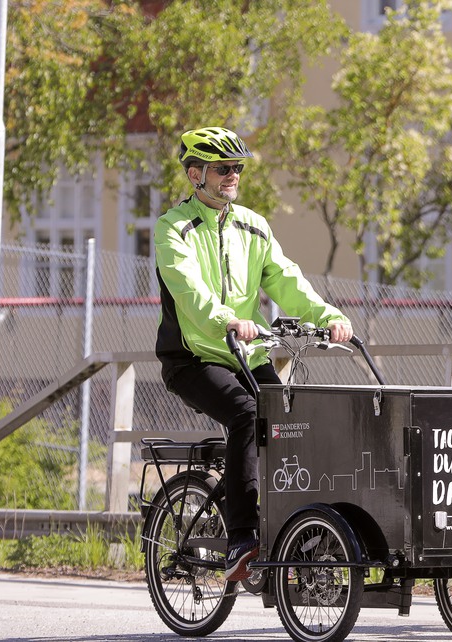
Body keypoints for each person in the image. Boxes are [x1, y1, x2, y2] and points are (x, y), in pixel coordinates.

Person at [154, 126, 353, 581]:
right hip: (194, 358)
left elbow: (287, 281)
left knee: (291, 423)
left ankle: (290, 524)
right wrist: (227, 318)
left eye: (237, 168)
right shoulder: (172, 229)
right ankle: (242, 535)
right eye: (223, 168)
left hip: (248, 353)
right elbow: (189, 290)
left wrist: (329, 316)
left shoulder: (253, 225)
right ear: (194, 175)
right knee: (247, 414)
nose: (232, 176)